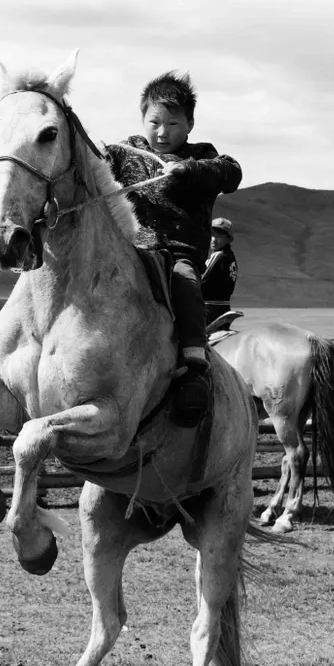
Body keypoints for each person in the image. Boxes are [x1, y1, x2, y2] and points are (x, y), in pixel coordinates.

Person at [104, 71, 241, 426]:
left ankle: (195, 367)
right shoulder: (125, 152)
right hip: (128, 252)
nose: (163, 132)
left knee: (186, 282)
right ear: (143, 120)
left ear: (190, 124)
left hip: (177, 254)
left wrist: (188, 170)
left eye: (173, 124)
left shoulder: (202, 155)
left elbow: (231, 173)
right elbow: (92, 165)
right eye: (155, 123)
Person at [201, 217, 239, 324]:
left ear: (228, 239)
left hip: (210, 310)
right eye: (212, 235)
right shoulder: (230, 256)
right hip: (223, 307)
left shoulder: (220, 256)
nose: (213, 239)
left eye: (219, 236)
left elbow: (203, 282)